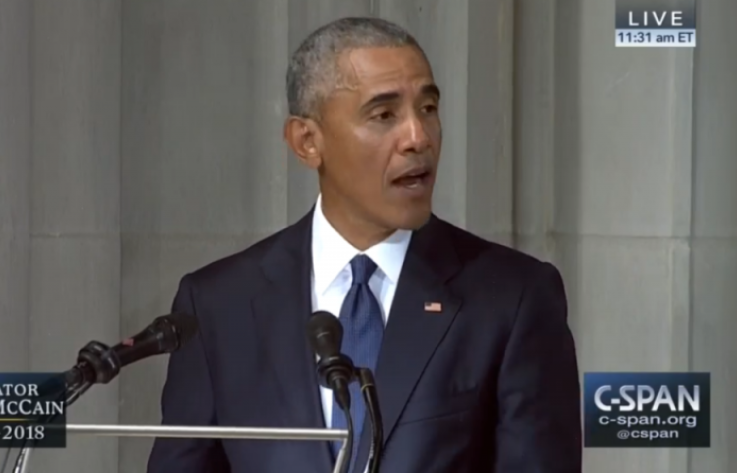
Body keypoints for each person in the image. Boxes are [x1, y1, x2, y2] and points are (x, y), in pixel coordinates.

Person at [147, 17, 582, 473]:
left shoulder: (514, 298)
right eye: (384, 115)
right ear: (307, 141)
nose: (418, 137)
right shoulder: (218, 304)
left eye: (429, 108)